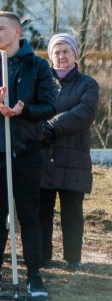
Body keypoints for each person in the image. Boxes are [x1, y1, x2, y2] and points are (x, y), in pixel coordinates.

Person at [0, 11, 57, 298]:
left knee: (29, 215)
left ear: (17, 31)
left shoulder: (38, 65)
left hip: (26, 152)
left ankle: (34, 278)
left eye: (0, 29)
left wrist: (23, 111)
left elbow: (50, 106)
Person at [40, 33, 99, 269]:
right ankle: (42, 257)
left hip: (73, 157)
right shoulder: (42, 82)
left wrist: (50, 126)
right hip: (43, 156)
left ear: (75, 54)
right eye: (56, 51)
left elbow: (84, 113)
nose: (61, 56)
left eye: (66, 51)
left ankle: (73, 258)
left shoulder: (88, 84)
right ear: (50, 55)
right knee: (41, 209)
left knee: (72, 211)